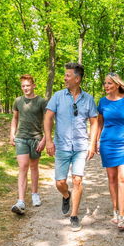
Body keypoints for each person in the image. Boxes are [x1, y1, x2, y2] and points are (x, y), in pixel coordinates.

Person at [44, 62, 98, 232]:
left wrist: (92, 143)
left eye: (68, 75)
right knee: (60, 183)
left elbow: (94, 122)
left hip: (81, 146)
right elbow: (48, 118)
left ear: (77, 79)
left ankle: (74, 215)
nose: (65, 78)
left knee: (77, 180)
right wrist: (48, 140)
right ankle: (66, 196)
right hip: (62, 145)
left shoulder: (88, 99)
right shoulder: (58, 96)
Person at [96, 72, 124, 231]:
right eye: (105, 83)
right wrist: (96, 141)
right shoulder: (102, 102)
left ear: (117, 84)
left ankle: (122, 215)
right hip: (108, 143)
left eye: (109, 83)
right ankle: (115, 210)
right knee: (112, 178)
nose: (106, 86)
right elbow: (99, 124)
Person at [10, 74, 48, 215]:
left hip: (36, 138)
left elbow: (48, 121)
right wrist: (12, 134)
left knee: (34, 167)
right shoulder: (18, 101)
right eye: (23, 86)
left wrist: (45, 139)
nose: (25, 88)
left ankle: (35, 194)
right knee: (23, 167)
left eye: (28, 85)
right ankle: (21, 201)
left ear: (33, 85)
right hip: (21, 138)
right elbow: (14, 119)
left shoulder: (42, 101)